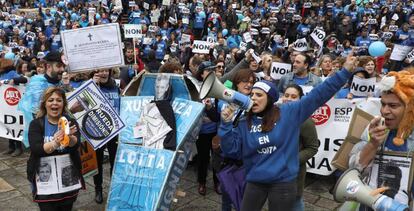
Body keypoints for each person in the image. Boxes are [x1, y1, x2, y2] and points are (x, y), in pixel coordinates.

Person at [218, 53, 357, 210]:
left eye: (259, 95)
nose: (253, 98)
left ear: (270, 99)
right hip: (255, 181)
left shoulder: (289, 112)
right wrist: (226, 125)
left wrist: (344, 72)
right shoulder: (244, 120)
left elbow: (319, 94)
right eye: (251, 95)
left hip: (282, 182)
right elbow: (232, 151)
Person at [348, 68, 414, 209]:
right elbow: (353, 170)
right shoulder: (375, 127)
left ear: (410, 108)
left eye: (393, 106)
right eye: (383, 104)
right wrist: (372, 144)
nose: (384, 111)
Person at [26, 87, 84, 211]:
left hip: (67, 178)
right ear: (45, 104)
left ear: (63, 104)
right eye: (50, 100)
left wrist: (70, 138)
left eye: (59, 100)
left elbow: (76, 144)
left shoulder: (70, 121)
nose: (54, 103)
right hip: (45, 181)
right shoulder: (36, 124)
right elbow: (37, 149)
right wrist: (56, 142)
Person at [281, 84, 319, 211]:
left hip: (293, 173)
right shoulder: (274, 116)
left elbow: (312, 147)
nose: (289, 99)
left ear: (300, 99)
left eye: (293, 96)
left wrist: (291, 159)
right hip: (274, 173)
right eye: (286, 95)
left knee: (295, 202)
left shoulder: (305, 121)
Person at [90, 68, 120, 204]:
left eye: (105, 71)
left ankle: (115, 189)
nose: (103, 73)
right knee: (98, 162)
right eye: (100, 71)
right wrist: (91, 86)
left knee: (115, 161)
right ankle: (98, 189)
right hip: (98, 130)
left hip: (115, 131)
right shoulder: (91, 85)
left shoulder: (116, 85)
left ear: (110, 71)